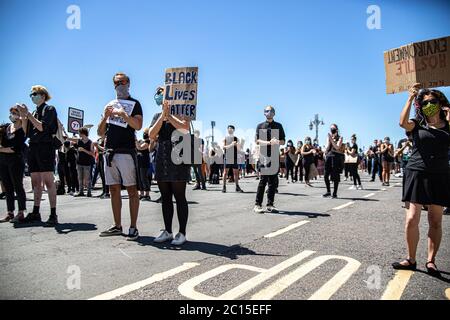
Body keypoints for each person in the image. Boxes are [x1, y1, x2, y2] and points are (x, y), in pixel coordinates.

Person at [392, 84, 450, 276]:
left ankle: (431, 261)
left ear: (441, 104)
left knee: (435, 221)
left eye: (433, 102)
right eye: (425, 103)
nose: (429, 105)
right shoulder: (417, 125)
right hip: (416, 173)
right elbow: (402, 122)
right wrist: (410, 97)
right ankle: (411, 258)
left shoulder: (448, 126)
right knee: (411, 219)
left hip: (440, 175)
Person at [97, 72, 143, 241]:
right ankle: (117, 225)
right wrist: (106, 118)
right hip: (110, 152)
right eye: (117, 82)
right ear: (113, 85)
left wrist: (124, 115)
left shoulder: (135, 104)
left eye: (123, 82)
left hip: (127, 152)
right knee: (113, 189)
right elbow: (100, 132)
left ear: (129, 83)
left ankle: (133, 227)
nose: (120, 84)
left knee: (132, 190)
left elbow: (138, 125)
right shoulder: (109, 105)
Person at [149, 87, 191, 246]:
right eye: (159, 93)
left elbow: (185, 129)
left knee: (179, 196)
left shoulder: (183, 113)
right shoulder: (156, 116)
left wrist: (170, 115)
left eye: (163, 92)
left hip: (178, 156)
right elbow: (152, 135)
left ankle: (182, 232)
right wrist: (163, 116)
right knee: (165, 196)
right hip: (162, 156)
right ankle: (167, 230)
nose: (160, 95)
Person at [18, 85, 58, 226]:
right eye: (31, 94)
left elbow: (42, 127)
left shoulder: (49, 109)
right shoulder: (34, 112)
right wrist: (24, 116)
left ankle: (53, 214)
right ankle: (36, 211)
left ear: (42, 95)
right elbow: (26, 132)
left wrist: (28, 115)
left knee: (48, 180)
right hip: (33, 147)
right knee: (35, 182)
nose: (32, 96)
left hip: (45, 147)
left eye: (34, 94)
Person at [254, 105, 285, 214]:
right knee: (263, 181)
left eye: (271, 111)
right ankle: (257, 204)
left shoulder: (278, 126)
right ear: (264, 113)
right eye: (267, 111)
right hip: (264, 156)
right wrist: (268, 142)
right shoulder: (260, 126)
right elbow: (257, 141)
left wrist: (277, 142)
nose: (269, 112)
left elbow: (283, 141)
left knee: (273, 182)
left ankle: (270, 204)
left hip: (275, 156)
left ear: (274, 113)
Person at [0, 106, 28, 223]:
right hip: (3, 161)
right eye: (11, 112)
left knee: (18, 186)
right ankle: (10, 212)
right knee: (7, 187)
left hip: (16, 160)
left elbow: (15, 149)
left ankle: (21, 212)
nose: (12, 115)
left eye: (15, 113)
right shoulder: (6, 127)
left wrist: (1, 149)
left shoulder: (22, 129)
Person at [69, 127, 95, 197]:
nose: (79, 134)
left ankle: (89, 192)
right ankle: (81, 192)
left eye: (79, 132)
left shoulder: (90, 142)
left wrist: (83, 150)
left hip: (87, 163)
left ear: (83, 133)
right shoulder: (79, 141)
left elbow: (92, 153)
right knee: (80, 178)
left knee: (88, 178)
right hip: (79, 162)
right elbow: (70, 139)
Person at [323, 124, 343, 198]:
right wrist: (328, 142)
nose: (332, 130)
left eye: (333, 128)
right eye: (331, 128)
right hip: (328, 157)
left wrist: (331, 139)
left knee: (335, 177)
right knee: (325, 176)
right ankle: (328, 191)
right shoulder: (329, 137)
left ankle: (334, 193)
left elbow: (337, 147)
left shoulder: (340, 138)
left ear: (337, 129)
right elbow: (327, 148)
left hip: (336, 158)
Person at [222, 125, 244, 193]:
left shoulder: (236, 138)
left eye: (231, 129)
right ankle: (224, 187)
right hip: (228, 157)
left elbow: (239, 149)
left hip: (235, 157)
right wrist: (231, 144)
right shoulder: (225, 138)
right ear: (227, 130)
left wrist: (240, 144)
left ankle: (237, 187)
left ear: (233, 130)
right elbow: (224, 147)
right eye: (229, 129)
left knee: (236, 173)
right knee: (225, 173)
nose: (230, 130)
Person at [136, 129, 151, 201]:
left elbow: (140, 147)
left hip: (144, 162)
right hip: (139, 162)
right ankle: (141, 193)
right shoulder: (143, 141)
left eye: (145, 133)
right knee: (139, 179)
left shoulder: (148, 142)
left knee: (144, 178)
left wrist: (135, 140)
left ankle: (147, 195)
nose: (144, 134)